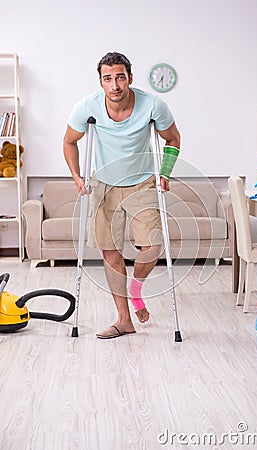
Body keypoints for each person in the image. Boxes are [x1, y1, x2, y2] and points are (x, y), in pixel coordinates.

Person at [63, 52, 180, 339]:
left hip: (142, 183)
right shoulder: (86, 107)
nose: (114, 85)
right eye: (108, 78)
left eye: (119, 77)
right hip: (104, 184)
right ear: (100, 81)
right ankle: (124, 319)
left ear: (130, 78)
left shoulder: (153, 105)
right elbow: (69, 142)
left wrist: (163, 173)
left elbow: (173, 139)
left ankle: (136, 289)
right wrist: (78, 177)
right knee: (110, 252)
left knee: (152, 246)